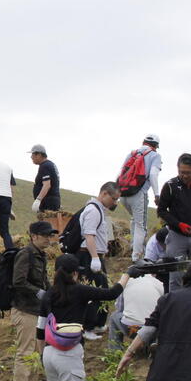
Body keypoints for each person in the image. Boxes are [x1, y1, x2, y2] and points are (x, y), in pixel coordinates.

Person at [37, 255, 130, 381]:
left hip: (49, 354)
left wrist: (42, 357)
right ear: (75, 273)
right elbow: (112, 293)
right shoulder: (79, 290)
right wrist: (128, 274)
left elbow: (40, 331)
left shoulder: (48, 295)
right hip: (68, 354)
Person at [11, 221, 58, 381]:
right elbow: (18, 281)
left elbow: (43, 281)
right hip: (25, 310)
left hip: (37, 311)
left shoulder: (40, 255)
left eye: (50, 235)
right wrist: (38, 292)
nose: (49, 239)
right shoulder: (26, 254)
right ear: (34, 236)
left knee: (36, 351)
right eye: (45, 235)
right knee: (25, 351)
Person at [157, 153, 191, 291]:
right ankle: (175, 304)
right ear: (177, 168)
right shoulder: (170, 186)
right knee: (175, 275)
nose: (185, 175)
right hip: (177, 236)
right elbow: (162, 211)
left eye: (188, 172)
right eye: (181, 172)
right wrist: (178, 224)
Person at [77, 182, 122, 339]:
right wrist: (95, 258)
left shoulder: (100, 211)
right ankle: (87, 328)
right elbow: (89, 235)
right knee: (93, 291)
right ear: (104, 194)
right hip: (89, 256)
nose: (115, 203)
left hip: (97, 256)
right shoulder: (93, 210)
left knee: (102, 289)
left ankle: (98, 324)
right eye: (114, 198)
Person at [119, 135, 163, 261]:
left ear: (144, 142)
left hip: (123, 193)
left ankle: (133, 248)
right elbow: (153, 175)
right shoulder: (155, 155)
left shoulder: (133, 153)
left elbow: (121, 172)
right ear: (155, 146)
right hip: (138, 193)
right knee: (141, 225)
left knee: (134, 220)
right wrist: (156, 194)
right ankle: (137, 257)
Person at [107, 271, 165, 351]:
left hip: (131, 328)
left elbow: (119, 308)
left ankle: (115, 350)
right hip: (151, 329)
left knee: (114, 316)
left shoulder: (126, 282)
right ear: (153, 274)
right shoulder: (159, 284)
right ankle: (153, 342)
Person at [29, 144, 61, 213]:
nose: (31, 157)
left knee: (46, 223)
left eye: (33, 154)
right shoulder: (50, 164)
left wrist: (38, 199)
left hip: (48, 202)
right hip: (52, 201)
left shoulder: (45, 166)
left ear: (39, 155)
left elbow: (47, 185)